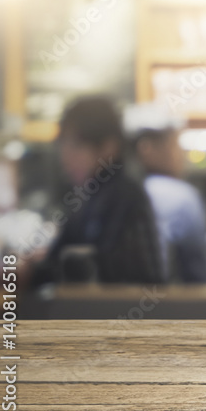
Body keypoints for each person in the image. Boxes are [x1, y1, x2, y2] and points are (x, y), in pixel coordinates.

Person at [33, 96, 164, 287]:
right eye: (63, 145)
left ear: (108, 147)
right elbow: (62, 254)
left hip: (124, 315)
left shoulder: (123, 195)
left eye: (75, 145)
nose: (65, 157)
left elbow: (100, 269)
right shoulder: (91, 195)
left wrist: (35, 271)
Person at [131, 113, 206, 284]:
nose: (181, 156)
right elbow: (199, 276)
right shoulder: (181, 197)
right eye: (174, 144)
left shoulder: (117, 193)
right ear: (146, 149)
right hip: (172, 307)